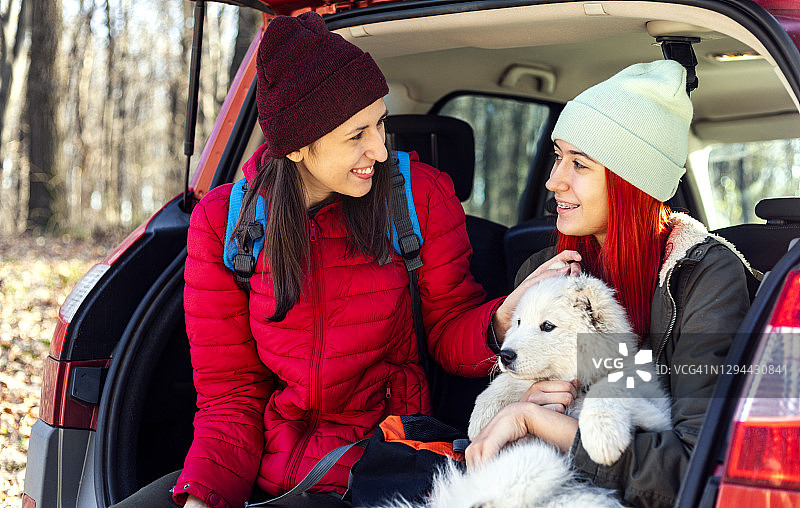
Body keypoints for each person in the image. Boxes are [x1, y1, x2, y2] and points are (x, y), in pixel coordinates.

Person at [112, 11, 507, 508]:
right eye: (357, 134)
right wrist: (204, 497)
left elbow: (451, 331)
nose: (381, 151)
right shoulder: (224, 224)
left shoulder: (419, 198)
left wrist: (501, 321)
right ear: (297, 147)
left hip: (376, 468)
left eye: (380, 125)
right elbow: (229, 396)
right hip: (265, 470)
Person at [467, 60, 754, 508]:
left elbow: (693, 466)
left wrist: (534, 420)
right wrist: (519, 396)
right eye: (559, 155)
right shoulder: (548, 271)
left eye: (579, 163)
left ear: (632, 182)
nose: (552, 179)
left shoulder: (705, 279)